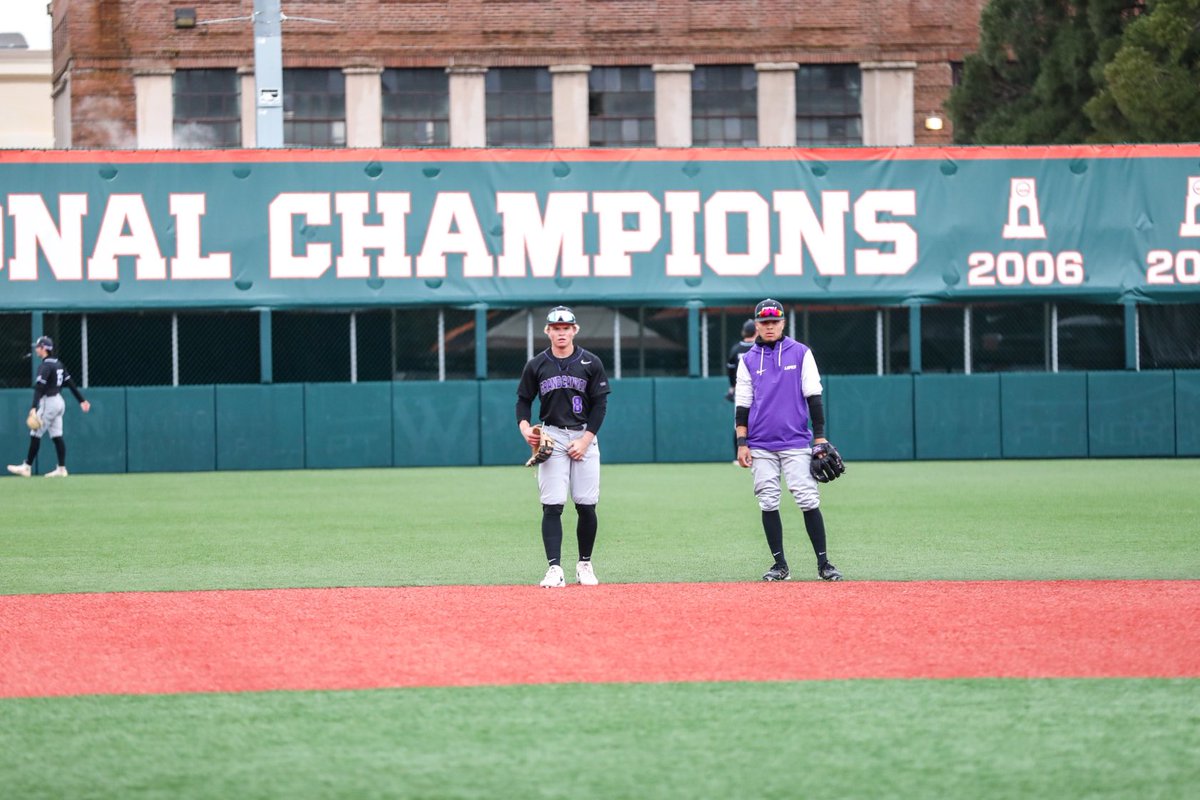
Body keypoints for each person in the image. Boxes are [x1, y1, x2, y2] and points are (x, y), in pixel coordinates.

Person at [733, 299, 843, 582]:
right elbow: (742, 404)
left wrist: (820, 437)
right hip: (760, 443)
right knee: (768, 502)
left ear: (783, 323)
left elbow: (814, 396)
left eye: (774, 321)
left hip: (795, 440)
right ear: (757, 325)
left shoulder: (801, 353)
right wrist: (742, 443)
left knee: (807, 499)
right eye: (764, 322)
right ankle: (779, 565)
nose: (769, 326)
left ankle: (824, 564)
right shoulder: (747, 360)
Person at [516, 306, 611, 588]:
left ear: (574, 330)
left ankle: (585, 564)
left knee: (586, 505)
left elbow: (600, 405)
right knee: (552, 505)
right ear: (547, 331)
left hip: (584, 434)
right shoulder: (536, 364)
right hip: (552, 436)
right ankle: (554, 569)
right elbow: (523, 400)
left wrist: (585, 440)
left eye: (566, 328)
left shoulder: (591, 362)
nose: (561, 333)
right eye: (556, 328)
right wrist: (525, 428)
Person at [7, 336, 91, 478]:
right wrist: (81, 400)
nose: (36, 349)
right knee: (57, 435)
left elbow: (40, 387)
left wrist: (34, 407)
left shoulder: (45, 366)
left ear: (44, 349)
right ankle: (61, 469)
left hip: (49, 402)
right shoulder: (58, 364)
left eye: (38, 347)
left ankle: (26, 467)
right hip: (59, 402)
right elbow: (70, 382)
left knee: (35, 433)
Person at [725, 318, 757, 460]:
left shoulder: (736, 349)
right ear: (756, 331)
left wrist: (732, 386)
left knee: (739, 423)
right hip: (759, 389)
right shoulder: (760, 348)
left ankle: (737, 457)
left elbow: (730, 370)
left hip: (741, 389)